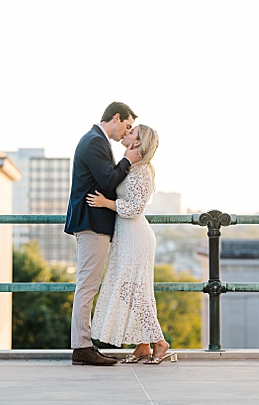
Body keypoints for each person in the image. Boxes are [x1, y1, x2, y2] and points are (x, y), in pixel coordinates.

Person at [87, 124, 176, 364]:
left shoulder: (143, 171)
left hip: (136, 237)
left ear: (138, 141)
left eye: (132, 131)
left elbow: (135, 208)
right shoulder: (131, 166)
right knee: (130, 292)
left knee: (136, 292)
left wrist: (106, 203)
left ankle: (159, 342)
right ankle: (143, 345)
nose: (127, 132)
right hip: (126, 236)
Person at [64, 101, 142, 366]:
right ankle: (82, 347)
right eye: (128, 126)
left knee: (88, 284)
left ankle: (84, 345)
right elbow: (109, 180)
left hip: (92, 222)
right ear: (116, 118)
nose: (126, 132)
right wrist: (127, 161)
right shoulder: (95, 141)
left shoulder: (95, 139)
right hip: (91, 222)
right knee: (87, 285)